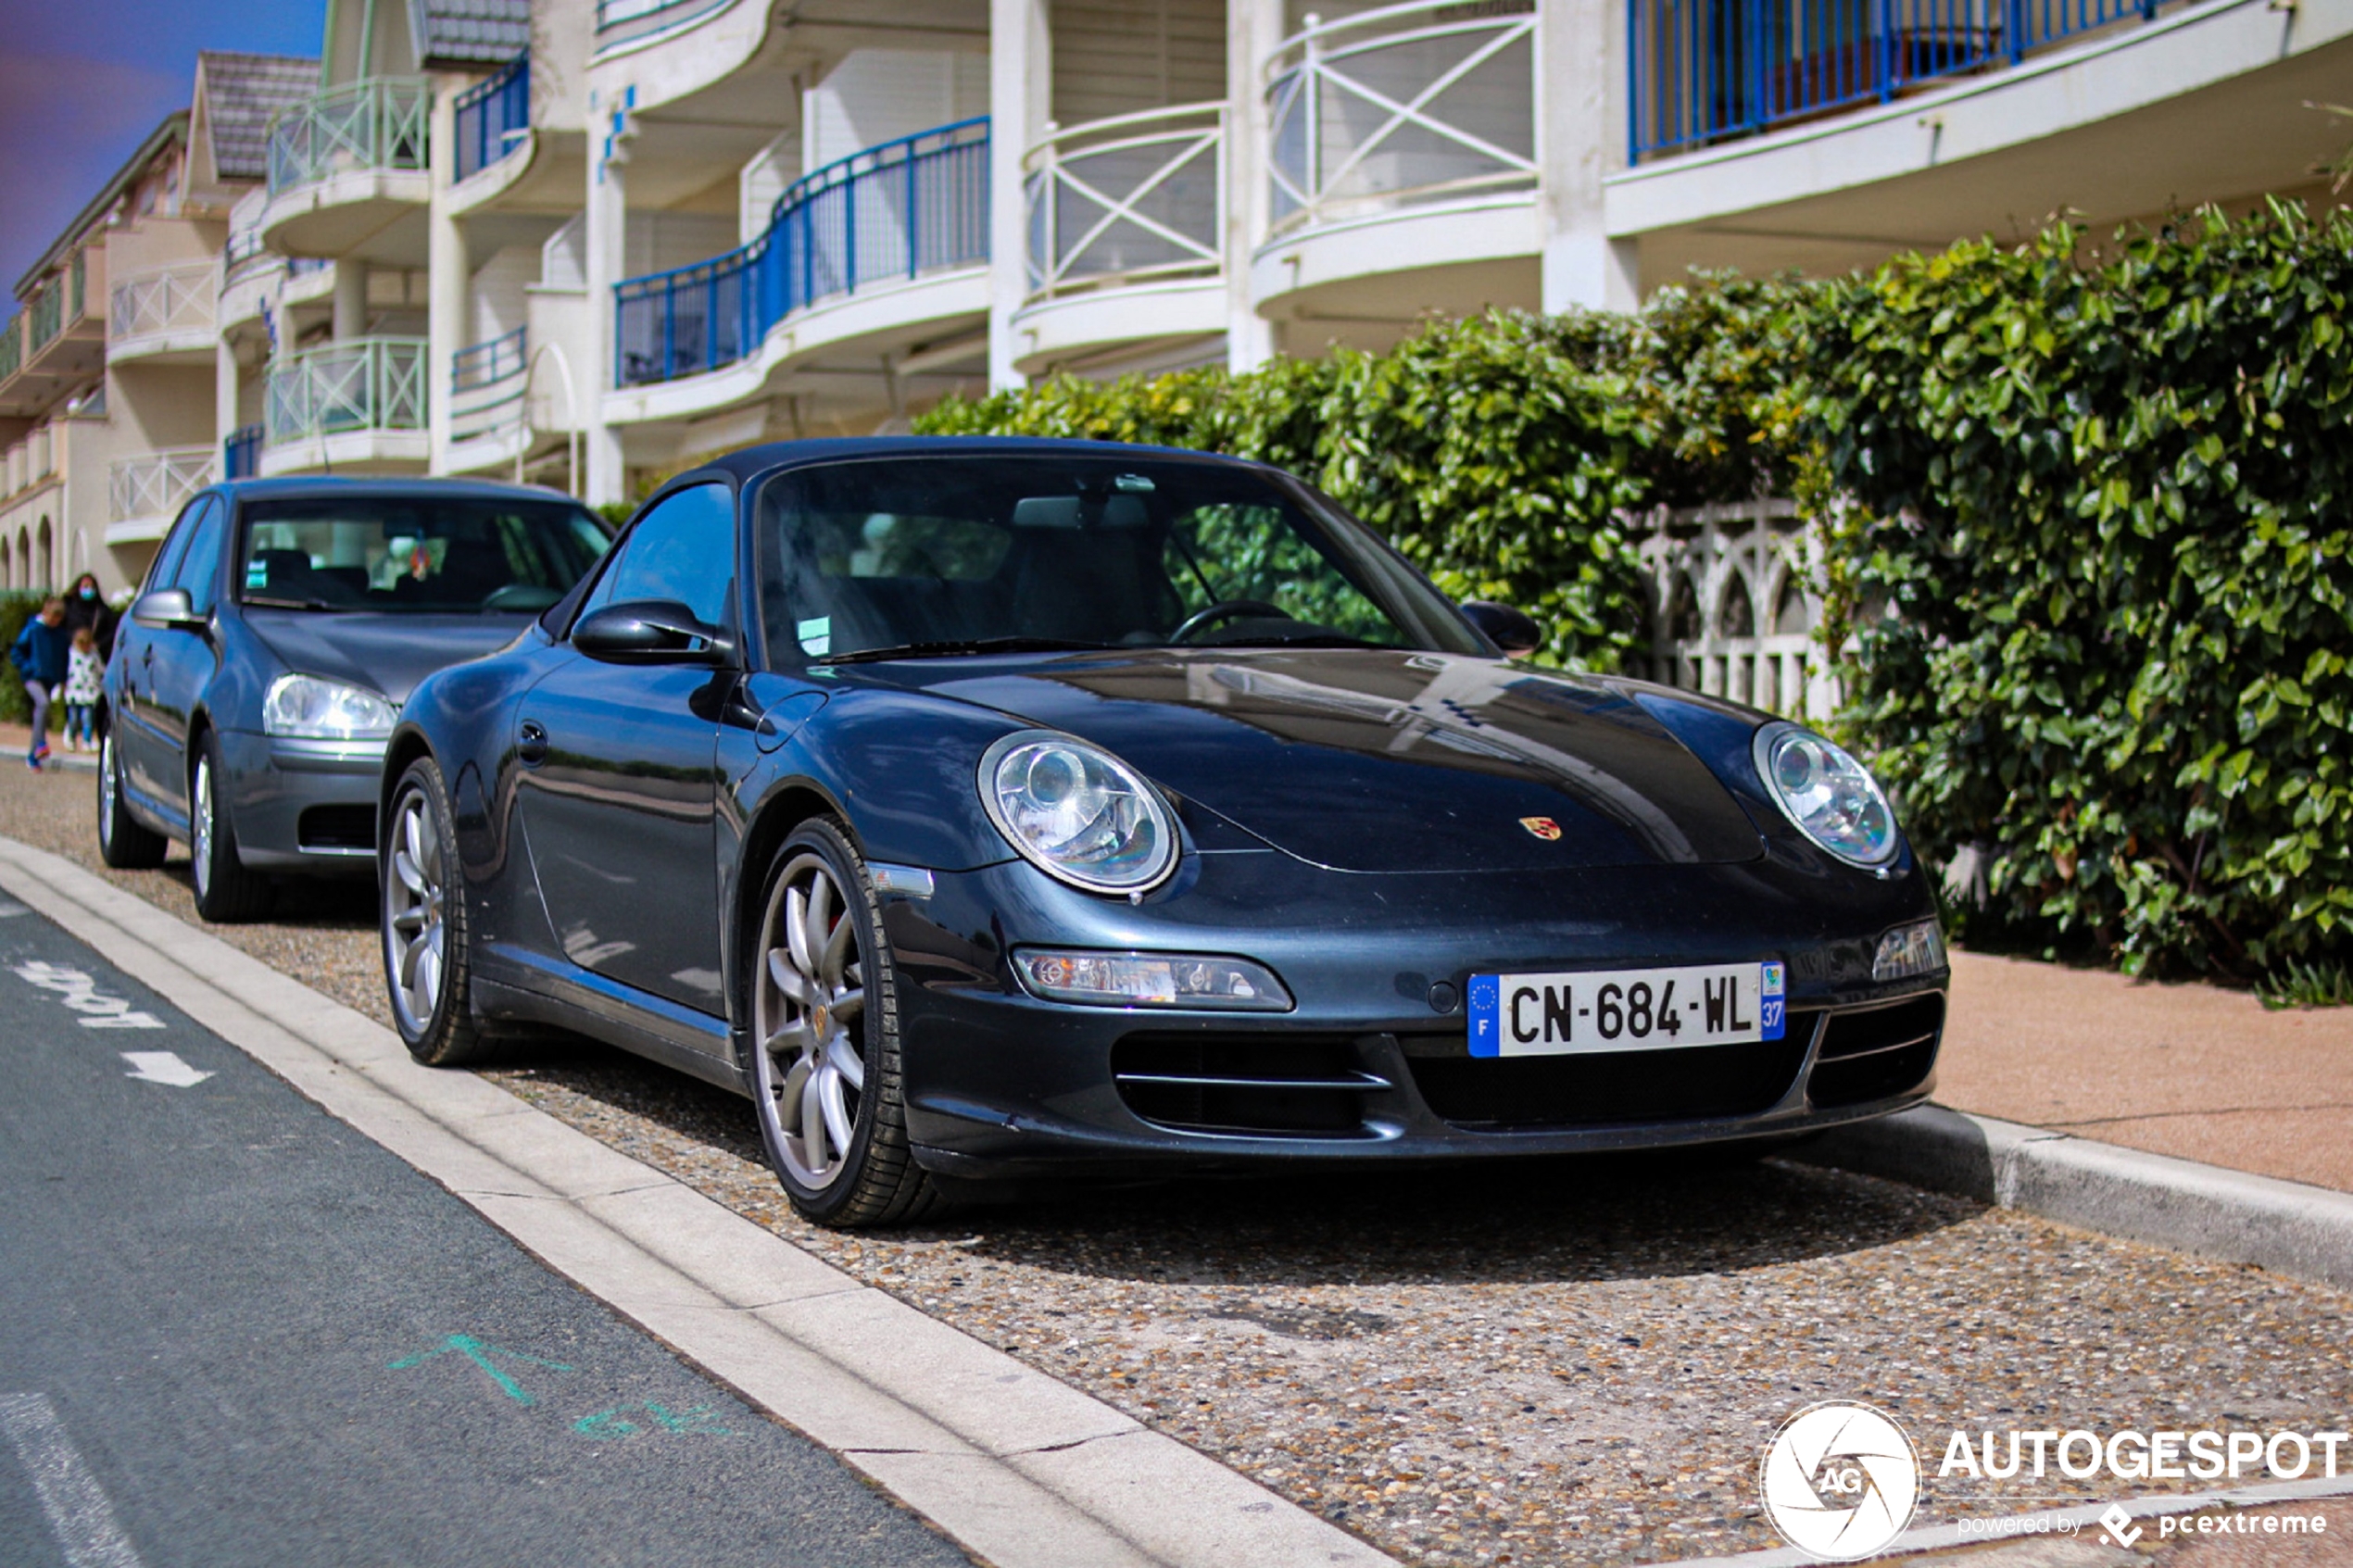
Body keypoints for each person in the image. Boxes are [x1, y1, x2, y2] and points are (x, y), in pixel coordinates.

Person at [9, 596, 69, 770]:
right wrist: (28, 667)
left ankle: (33, 754)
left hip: (50, 678)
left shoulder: (60, 634)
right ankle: (41, 743)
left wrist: (63, 679)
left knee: (41, 714)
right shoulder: (33, 630)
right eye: (52, 618)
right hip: (33, 677)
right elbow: (17, 651)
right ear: (45, 613)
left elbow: (64, 658)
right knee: (42, 704)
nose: (55, 622)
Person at [63, 624, 102, 752]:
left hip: (89, 692)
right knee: (73, 718)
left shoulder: (94, 656)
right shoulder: (70, 654)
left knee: (88, 718)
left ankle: (87, 741)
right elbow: (64, 671)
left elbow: (100, 669)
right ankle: (71, 737)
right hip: (74, 691)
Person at [62, 571, 117, 656]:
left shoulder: (102, 610)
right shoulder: (69, 607)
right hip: (71, 653)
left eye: (91, 587)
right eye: (86, 587)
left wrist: (98, 644)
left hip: (96, 655)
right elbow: (61, 628)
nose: (89, 590)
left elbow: (112, 631)